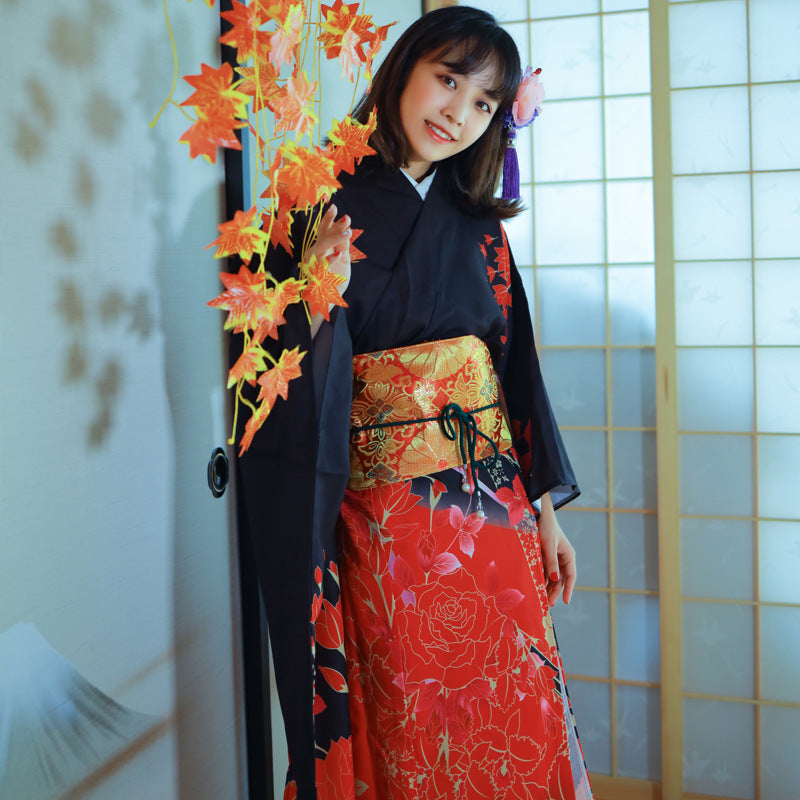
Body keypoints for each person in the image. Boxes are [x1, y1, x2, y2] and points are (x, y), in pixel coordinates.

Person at [235, 6, 593, 799]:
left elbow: (511, 372)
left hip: (493, 516)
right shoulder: (313, 193)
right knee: (410, 720)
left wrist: (543, 507)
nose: (457, 114)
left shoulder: (477, 226)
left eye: (485, 103)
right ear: (403, 68)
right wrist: (317, 297)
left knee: (511, 707)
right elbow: (267, 367)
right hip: (384, 522)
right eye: (448, 79)